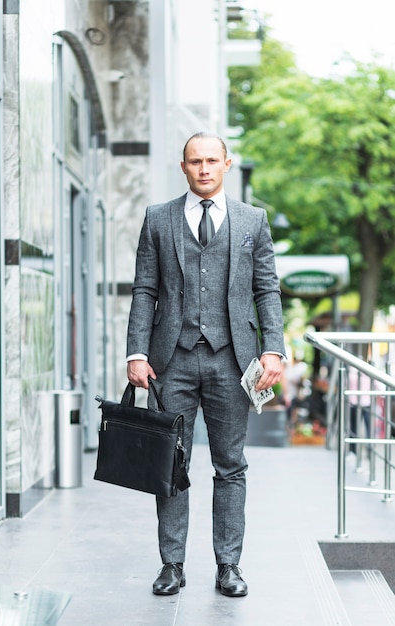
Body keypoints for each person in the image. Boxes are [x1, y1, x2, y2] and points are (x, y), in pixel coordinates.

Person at [126, 132, 285, 597]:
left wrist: (273, 348)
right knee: (170, 464)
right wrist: (136, 351)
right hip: (170, 361)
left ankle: (229, 566)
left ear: (227, 164)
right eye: (195, 161)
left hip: (233, 362)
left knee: (230, 465)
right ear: (183, 166)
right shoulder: (158, 219)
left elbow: (267, 289)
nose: (204, 169)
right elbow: (144, 289)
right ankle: (171, 564)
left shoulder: (252, 220)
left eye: (212, 160)